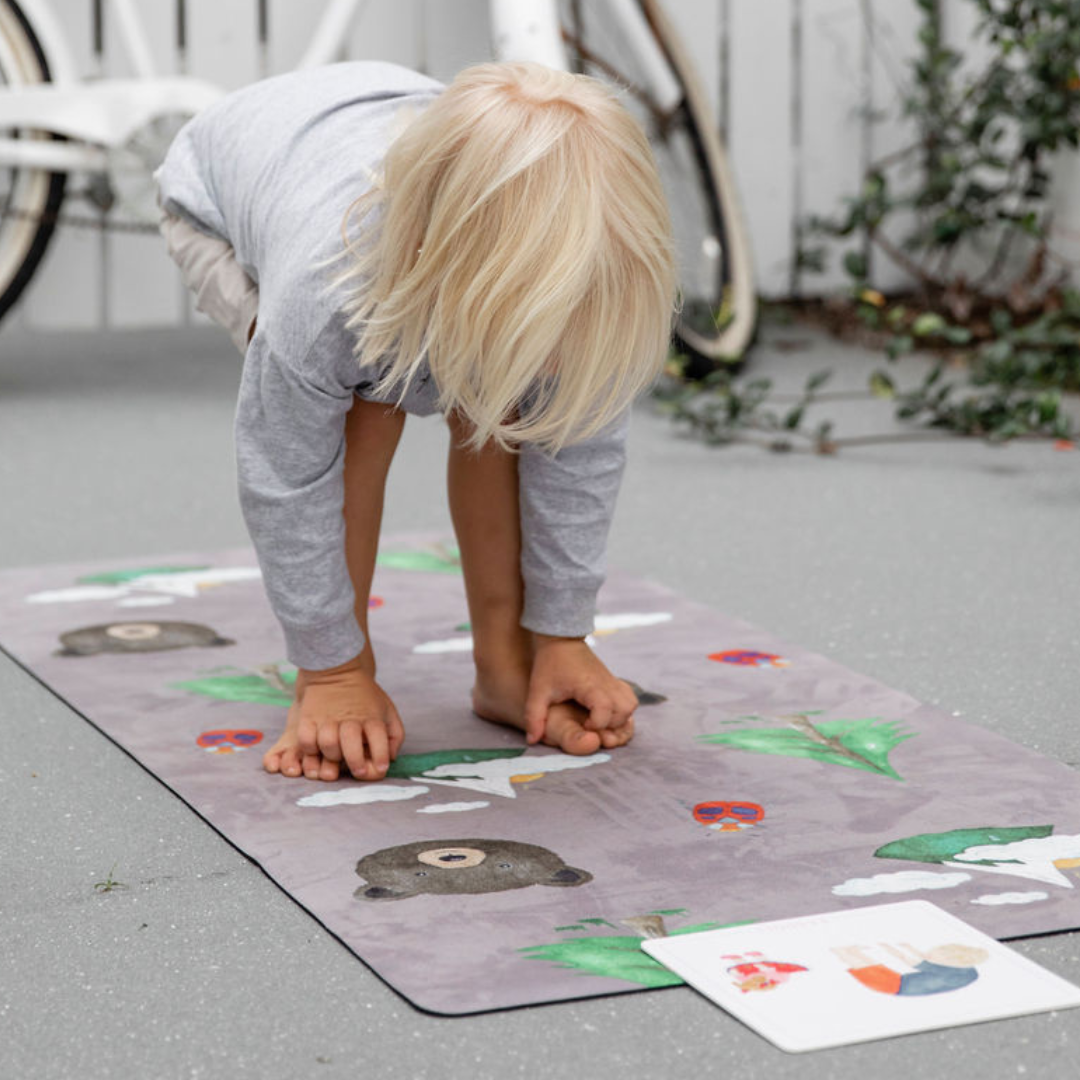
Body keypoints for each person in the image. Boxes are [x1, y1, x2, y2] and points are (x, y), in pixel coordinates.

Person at [155, 59, 678, 783]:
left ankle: (507, 667)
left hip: (388, 152)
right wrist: (330, 669)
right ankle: (343, 671)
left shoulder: (595, 276)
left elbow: (576, 455)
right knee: (370, 407)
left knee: (512, 398)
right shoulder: (326, 299)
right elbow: (286, 477)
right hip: (215, 188)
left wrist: (561, 635)